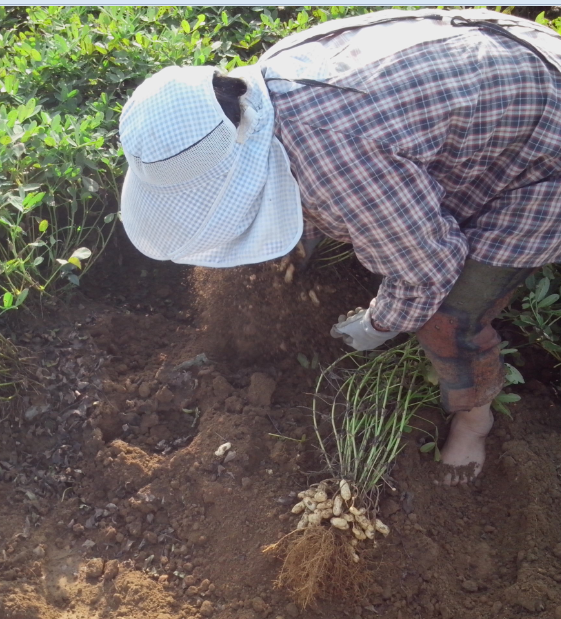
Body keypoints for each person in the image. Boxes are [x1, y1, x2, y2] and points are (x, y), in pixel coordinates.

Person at [117, 9, 561, 485]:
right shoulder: (254, 93)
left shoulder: (338, 166)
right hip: (504, 79)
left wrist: (379, 323)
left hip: (540, 159)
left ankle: (474, 420)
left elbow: (430, 271)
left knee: (447, 316)